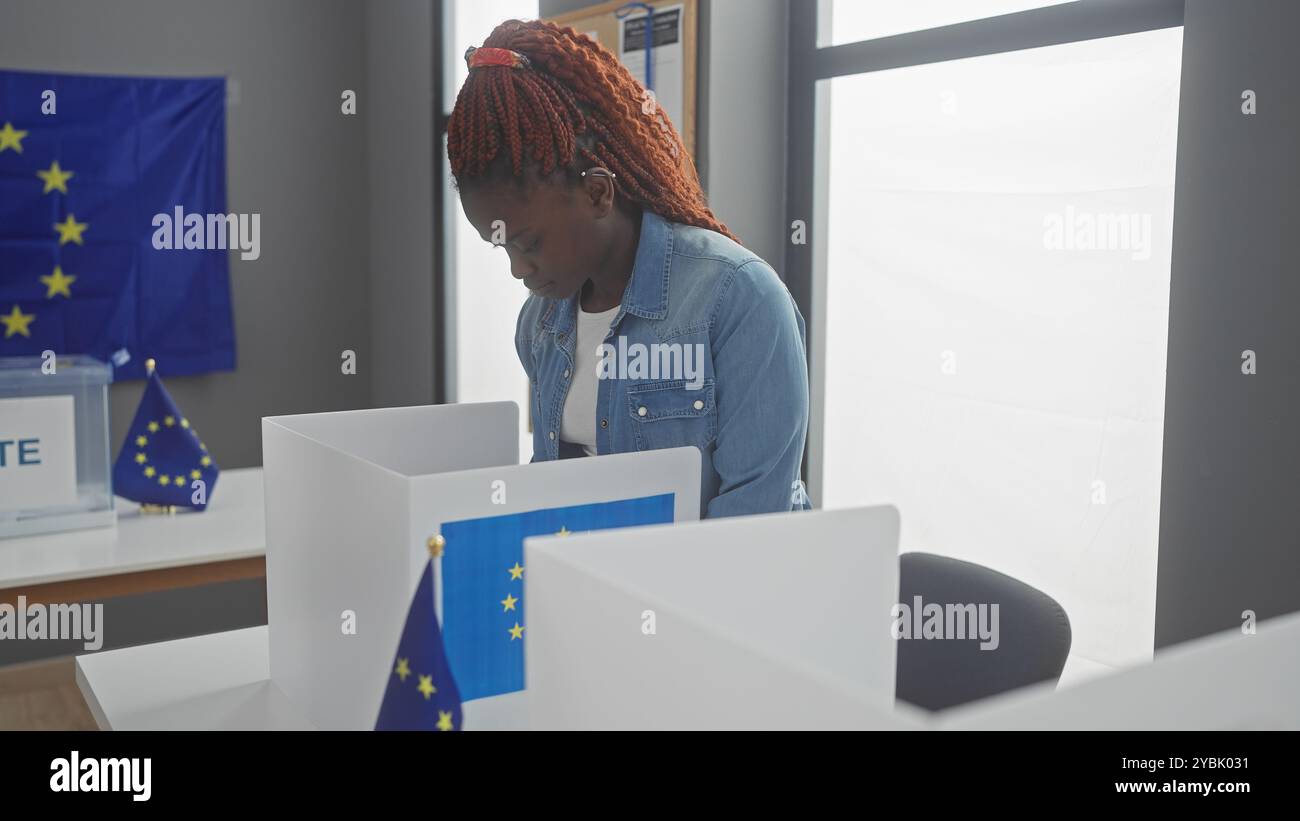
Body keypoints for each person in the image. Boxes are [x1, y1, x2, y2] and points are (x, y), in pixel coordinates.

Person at [447, 18, 810, 518]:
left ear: (598, 192)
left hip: (714, 588)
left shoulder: (738, 299)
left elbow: (755, 521)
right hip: (596, 584)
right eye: (501, 247)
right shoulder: (540, 324)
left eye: (528, 243)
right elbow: (554, 485)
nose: (517, 270)